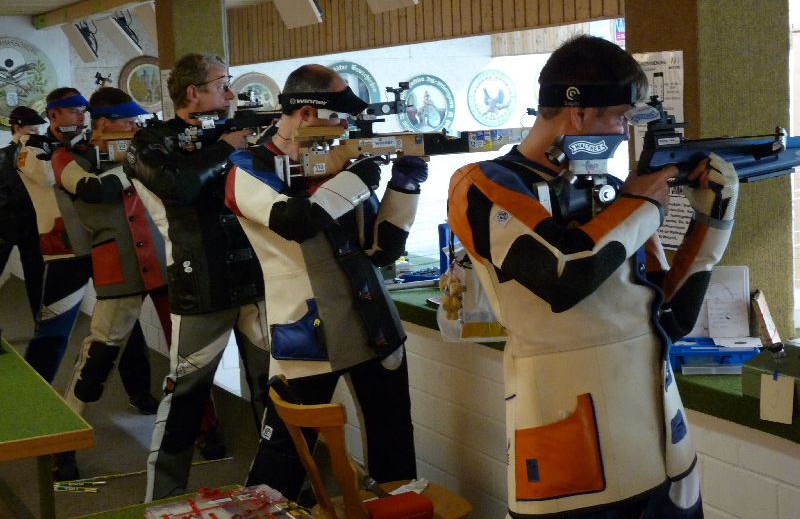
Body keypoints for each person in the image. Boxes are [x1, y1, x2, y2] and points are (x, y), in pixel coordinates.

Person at [447, 35, 738, 519]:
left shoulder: (612, 195)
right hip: (572, 459)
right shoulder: (483, 185)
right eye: (620, 117)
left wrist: (713, 222)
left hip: (663, 448)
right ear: (578, 115)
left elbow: (670, 317)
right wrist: (643, 205)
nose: (625, 132)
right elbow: (565, 275)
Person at [225, 63, 426, 500]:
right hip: (307, 332)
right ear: (307, 113)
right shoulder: (248, 167)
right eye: (338, 118)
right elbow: (295, 221)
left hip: (373, 323)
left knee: (394, 449)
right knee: (283, 456)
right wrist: (354, 179)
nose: (344, 128)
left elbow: (381, 250)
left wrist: (406, 185)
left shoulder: (336, 165)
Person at [123, 53, 270, 501]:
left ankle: (279, 489)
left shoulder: (239, 129)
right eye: (222, 83)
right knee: (184, 399)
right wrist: (226, 148)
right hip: (201, 283)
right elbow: (179, 186)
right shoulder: (149, 142)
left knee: (274, 393)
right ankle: (161, 500)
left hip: (258, 277)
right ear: (193, 92)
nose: (231, 93)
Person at [51, 87, 168, 479]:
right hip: (118, 264)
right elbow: (92, 189)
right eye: (127, 120)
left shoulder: (140, 151)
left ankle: (201, 431)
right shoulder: (68, 157)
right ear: (103, 123)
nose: (135, 126)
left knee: (188, 356)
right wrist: (134, 163)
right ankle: (65, 440)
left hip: (163, 260)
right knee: (97, 358)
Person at [0, 107, 45, 319]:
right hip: (4, 227)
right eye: (32, 129)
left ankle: (40, 324)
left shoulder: (39, 156)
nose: (37, 134)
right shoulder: (3, 157)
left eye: (38, 129)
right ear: (17, 128)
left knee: (37, 279)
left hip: (31, 227)